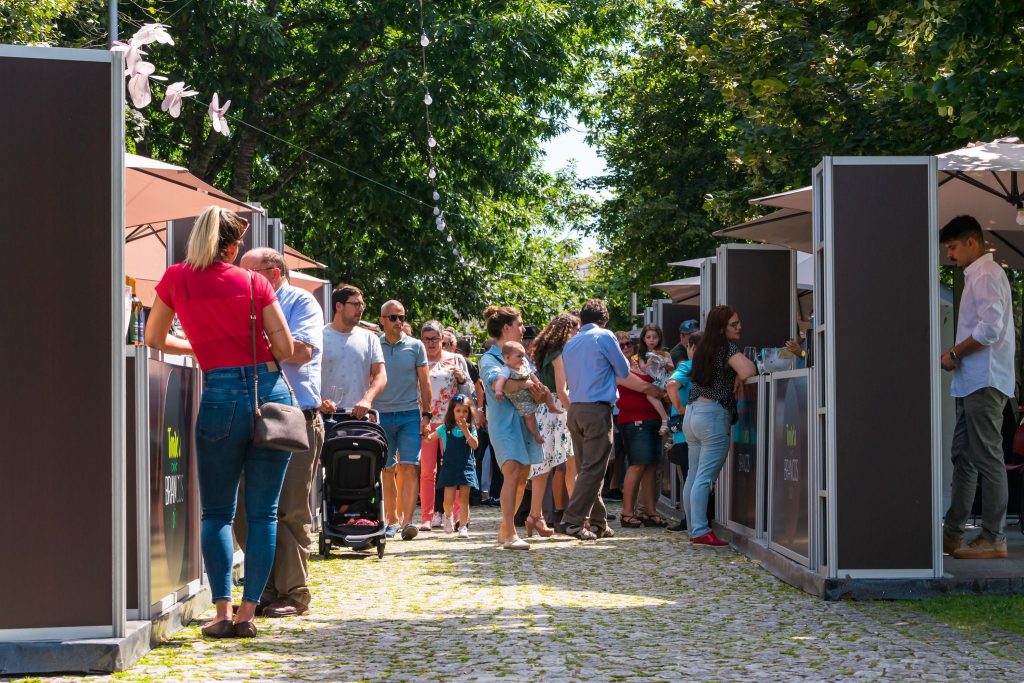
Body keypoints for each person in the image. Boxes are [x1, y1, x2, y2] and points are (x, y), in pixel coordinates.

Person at [145, 206, 295, 639]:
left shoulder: (176, 278)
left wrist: (202, 349)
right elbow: (283, 348)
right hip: (268, 393)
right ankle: (250, 613)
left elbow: (154, 338)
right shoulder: (254, 281)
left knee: (216, 511)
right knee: (264, 511)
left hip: (219, 393)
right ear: (231, 247)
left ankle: (221, 611)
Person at [233, 247, 325, 620]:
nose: (239, 281)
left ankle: (293, 592)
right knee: (243, 510)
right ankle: (263, 587)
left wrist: (248, 342)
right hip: (248, 414)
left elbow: (301, 351)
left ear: (272, 273)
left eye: (247, 274)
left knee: (288, 508)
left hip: (292, 417)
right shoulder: (241, 304)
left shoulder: (300, 301)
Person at [940, 215, 1015, 560]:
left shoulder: (985, 275)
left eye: (953, 247)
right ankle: (953, 535)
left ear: (972, 242)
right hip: (974, 381)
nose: (950, 255)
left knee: (986, 457)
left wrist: (954, 352)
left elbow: (989, 331)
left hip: (984, 380)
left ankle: (994, 536)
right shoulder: (979, 275)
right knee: (965, 458)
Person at [559, 299, 664, 540]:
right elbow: (623, 370)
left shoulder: (571, 343)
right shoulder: (604, 336)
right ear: (604, 320)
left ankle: (598, 522)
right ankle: (572, 520)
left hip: (575, 409)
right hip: (597, 409)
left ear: (582, 320)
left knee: (589, 469)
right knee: (594, 469)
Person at [318, 284, 389, 541]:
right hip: (327, 417)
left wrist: (367, 399)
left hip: (359, 417)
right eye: (356, 304)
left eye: (362, 304)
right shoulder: (320, 336)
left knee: (363, 471)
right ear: (339, 306)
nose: (361, 309)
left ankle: (360, 514)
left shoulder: (368, 338)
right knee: (331, 472)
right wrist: (318, 401)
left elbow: (380, 376)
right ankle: (332, 518)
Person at [683, 305, 756, 547]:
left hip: (693, 413)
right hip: (713, 415)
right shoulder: (727, 347)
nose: (739, 327)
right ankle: (701, 531)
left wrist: (734, 375)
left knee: (693, 475)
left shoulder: (703, 346)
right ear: (722, 327)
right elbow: (748, 370)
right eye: (734, 324)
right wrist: (737, 375)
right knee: (704, 477)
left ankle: (693, 527)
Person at [478, 305, 547, 550]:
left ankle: (505, 529)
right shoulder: (488, 359)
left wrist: (538, 392)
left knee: (522, 477)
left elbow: (529, 387)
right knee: (512, 472)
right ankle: (510, 534)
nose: (523, 328)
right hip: (503, 424)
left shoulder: (521, 355)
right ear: (506, 328)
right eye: (519, 324)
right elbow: (504, 387)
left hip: (524, 422)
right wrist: (528, 384)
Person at [374, 301, 431, 542]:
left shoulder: (416, 346)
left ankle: (408, 521)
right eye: (393, 317)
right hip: (381, 414)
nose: (399, 322)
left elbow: (425, 383)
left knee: (409, 467)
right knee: (387, 469)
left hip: (409, 413)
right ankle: (392, 520)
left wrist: (426, 415)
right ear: (382, 320)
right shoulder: (374, 344)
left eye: (402, 317)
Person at [528, 313, 580, 534]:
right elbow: (561, 390)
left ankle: (534, 516)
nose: (577, 333)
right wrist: (574, 412)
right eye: (575, 329)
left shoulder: (547, 351)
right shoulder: (558, 354)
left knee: (543, 468)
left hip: (545, 411)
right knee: (571, 466)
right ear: (566, 330)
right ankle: (578, 517)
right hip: (557, 410)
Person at [420, 320, 474, 531]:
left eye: (435, 338)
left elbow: (468, 391)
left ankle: (459, 516)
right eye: (427, 339)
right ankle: (427, 516)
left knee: (456, 469)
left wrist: (461, 379)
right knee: (427, 471)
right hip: (426, 420)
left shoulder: (456, 359)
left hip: (453, 423)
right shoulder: (419, 359)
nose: (431, 343)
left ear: (442, 338)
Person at [616, 365, 668, 529]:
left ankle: (649, 512)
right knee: (637, 465)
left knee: (651, 466)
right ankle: (627, 513)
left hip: (652, 420)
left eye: (628, 344)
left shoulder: (645, 366)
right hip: (634, 420)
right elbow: (645, 387)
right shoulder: (619, 369)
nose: (626, 348)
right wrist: (661, 392)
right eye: (622, 346)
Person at [425, 394, 480, 538]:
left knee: (464, 499)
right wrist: (425, 433)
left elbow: (474, 445)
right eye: (458, 411)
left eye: (465, 411)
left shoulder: (471, 428)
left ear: (469, 413)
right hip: (450, 467)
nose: (462, 414)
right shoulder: (445, 428)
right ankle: (448, 516)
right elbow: (430, 439)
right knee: (448, 499)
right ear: (452, 412)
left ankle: (463, 526)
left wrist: (466, 431)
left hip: (466, 467)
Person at [494, 340, 562, 444]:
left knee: (546, 389)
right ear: (507, 358)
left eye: (523, 355)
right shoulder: (506, 369)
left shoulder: (524, 365)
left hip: (532, 391)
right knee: (529, 417)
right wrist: (498, 391)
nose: (522, 358)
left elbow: (532, 375)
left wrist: (538, 383)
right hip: (521, 399)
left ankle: (551, 407)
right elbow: (500, 380)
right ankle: (536, 434)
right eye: (519, 356)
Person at [666, 330, 701, 533]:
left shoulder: (688, 366)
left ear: (692, 348)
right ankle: (695, 519)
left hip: (683, 427)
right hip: (700, 425)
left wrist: (679, 408)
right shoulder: (709, 366)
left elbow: (671, 385)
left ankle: (690, 520)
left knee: (689, 475)